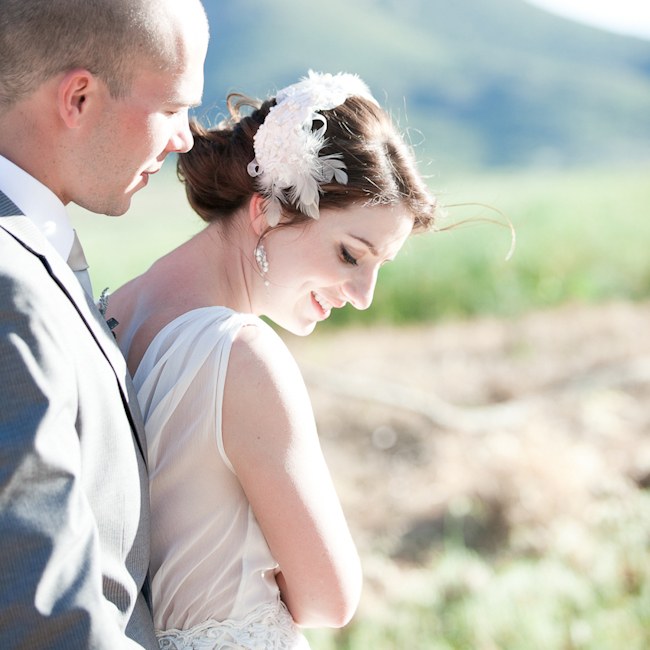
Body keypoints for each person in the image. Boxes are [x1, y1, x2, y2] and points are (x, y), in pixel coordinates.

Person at [106, 71, 439, 649]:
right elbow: (328, 598)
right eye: (350, 254)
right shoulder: (242, 354)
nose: (363, 295)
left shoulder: (103, 313)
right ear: (268, 211)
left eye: (378, 269)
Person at [0, 1, 209, 647]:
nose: (185, 139)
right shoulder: (9, 283)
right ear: (80, 97)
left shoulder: (34, 252)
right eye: (173, 107)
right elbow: (44, 608)